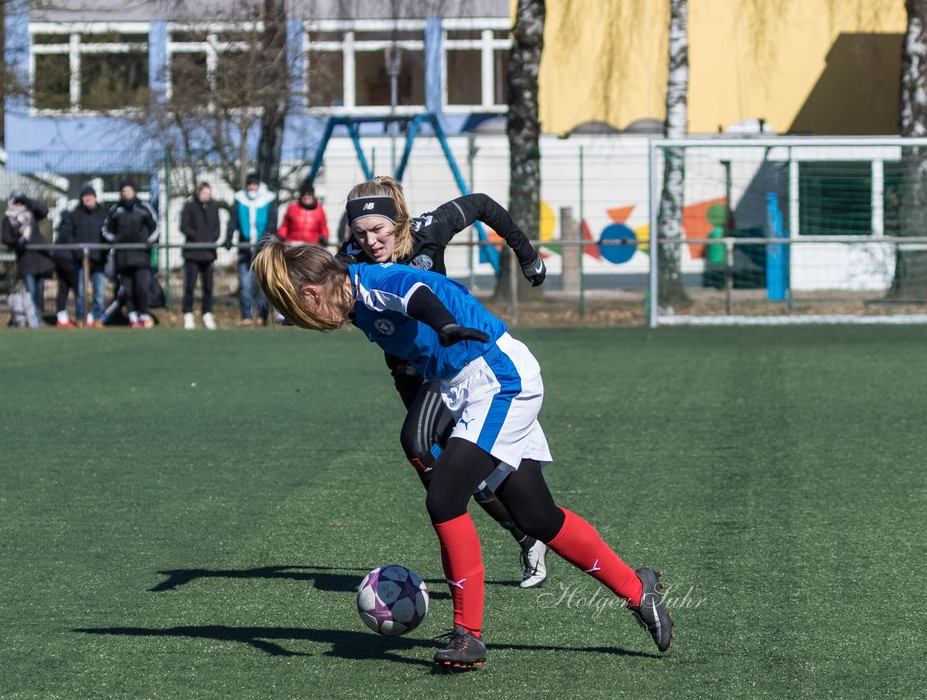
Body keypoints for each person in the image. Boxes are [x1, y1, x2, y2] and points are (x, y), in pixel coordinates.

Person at [252, 241, 673, 670]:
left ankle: (467, 636)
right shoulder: (350, 296)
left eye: (299, 311)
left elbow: (416, 293)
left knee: (444, 499)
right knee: (537, 517)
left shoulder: (374, 285)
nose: (304, 322)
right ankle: (640, 590)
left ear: (311, 294)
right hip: (465, 387)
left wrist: (446, 324)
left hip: (497, 377)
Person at [337, 176, 554, 589]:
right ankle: (526, 535)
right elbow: (325, 284)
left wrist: (527, 256)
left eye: (378, 230)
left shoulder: (430, 229)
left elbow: (484, 202)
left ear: (398, 222)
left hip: (455, 361)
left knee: (418, 445)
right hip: (408, 371)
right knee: (451, 468)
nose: (370, 242)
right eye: (360, 233)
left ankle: (498, 550)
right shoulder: (349, 257)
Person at [103, 180, 160, 329]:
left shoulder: (144, 208)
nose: (126, 193)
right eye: (123, 191)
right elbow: (106, 230)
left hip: (141, 256)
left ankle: (144, 315)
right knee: (126, 289)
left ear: (134, 192)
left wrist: (149, 241)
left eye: (128, 190)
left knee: (141, 287)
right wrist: (114, 240)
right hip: (122, 257)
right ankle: (133, 316)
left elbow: (156, 227)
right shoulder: (115, 209)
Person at [223, 172, 277, 326]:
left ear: (259, 185)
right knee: (245, 284)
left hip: (262, 249)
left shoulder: (269, 200)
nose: (252, 187)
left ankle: (262, 316)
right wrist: (228, 237)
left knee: (262, 284)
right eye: (250, 184)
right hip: (244, 249)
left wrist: (263, 240)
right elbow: (232, 222)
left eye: (255, 184)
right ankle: (246, 316)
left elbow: (272, 223)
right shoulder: (239, 200)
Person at [52, 183, 101, 328]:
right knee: (77, 288)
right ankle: (83, 317)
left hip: (64, 258)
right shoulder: (72, 218)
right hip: (68, 259)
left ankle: (63, 317)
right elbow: (68, 238)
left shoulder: (65, 219)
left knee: (64, 287)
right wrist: (78, 252)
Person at [2, 192, 54, 328]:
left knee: (39, 292)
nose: (19, 205)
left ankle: (36, 318)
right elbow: (6, 239)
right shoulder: (8, 219)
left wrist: (28, 199)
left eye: (21, 202)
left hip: (41, 259)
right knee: (31, 292)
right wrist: (19, 241)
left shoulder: (31, 214)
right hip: (26, 261)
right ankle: (35, 320)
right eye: (16, 202)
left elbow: (44, 211)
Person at [179, 181, 220, 329]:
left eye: (209, 194)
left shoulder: (214, 207)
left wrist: (211, 238)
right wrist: (197, 237)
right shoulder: (189, 206)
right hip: (192, 254)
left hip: (208, 254)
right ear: (198, 192)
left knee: (208, 286)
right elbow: (184, 226)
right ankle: (188, 314)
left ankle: (207, 313)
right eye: (204, 193)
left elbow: (217, 229)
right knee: (189, 286)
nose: (206, 196)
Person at [276, 179, 329, 247]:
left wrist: (325, 237)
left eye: (309, 194)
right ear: (301, 196)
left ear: (313, 196)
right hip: (293, 244)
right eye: (304, 194)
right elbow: (285, 226)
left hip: (311, 246)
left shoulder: (319, 210)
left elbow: (323, 227)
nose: (307, 196)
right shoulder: (292, 207)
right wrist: (281, 236)